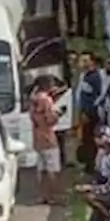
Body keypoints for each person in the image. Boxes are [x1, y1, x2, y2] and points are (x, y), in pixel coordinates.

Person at [30, 75, 66, 204]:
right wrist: (58, 114)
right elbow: (50, 119)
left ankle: (42, 195)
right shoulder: (47, 100)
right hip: (48, 137)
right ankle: (53, 196)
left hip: (37, 136)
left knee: (41, 168)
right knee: (53, 169)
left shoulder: (33, 99)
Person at [75, 52, 106, 175]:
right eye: (82, 60)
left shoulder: (94, 77)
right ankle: (89, 164)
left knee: (89, 139)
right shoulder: (85, 76)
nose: (83, 63)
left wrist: (88, 112)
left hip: (91, 114)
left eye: (86, 60)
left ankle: (91, 165)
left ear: (92, 62)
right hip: (85, 112)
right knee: (86, 138)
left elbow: (94, 98)